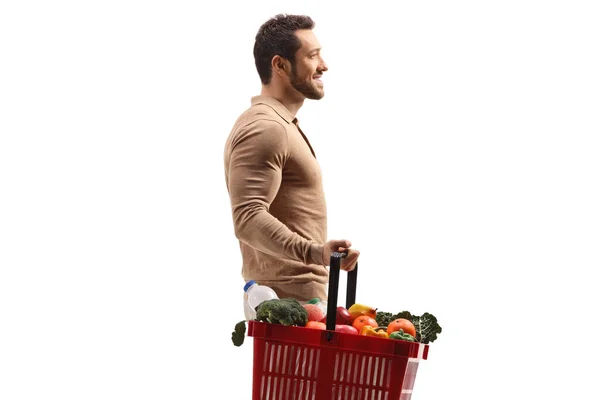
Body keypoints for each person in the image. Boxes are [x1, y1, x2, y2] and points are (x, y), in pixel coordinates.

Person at [223, 13, 360, 303]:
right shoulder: (267, 127)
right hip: (289, 305)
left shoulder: (280, 124)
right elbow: (248, 218)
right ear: (280, 65)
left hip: (299, 303)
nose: (324, 65)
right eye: (312, 56)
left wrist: (327, 257)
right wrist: (315, 253)